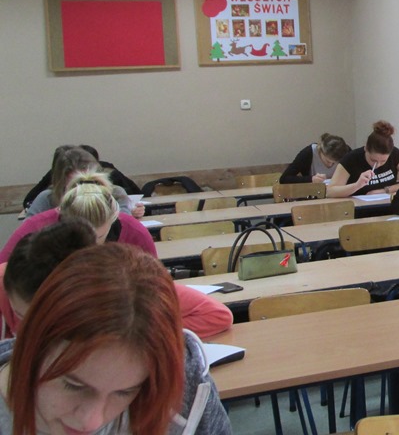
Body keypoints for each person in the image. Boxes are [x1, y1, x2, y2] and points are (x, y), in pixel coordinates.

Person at [0, 244, 231, 434]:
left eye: (125, 392)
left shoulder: (183, 390)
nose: (91, 422)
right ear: (32, 344)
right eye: (73, 385)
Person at [1, 220, 231, 341]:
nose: (36, 331)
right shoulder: (9, 280)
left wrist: (135, 332)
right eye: (22, 316)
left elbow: (217, 315)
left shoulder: (130, 285)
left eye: (47, 321)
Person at [2, 171, 157, 263]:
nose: (90, 247)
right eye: (79, 237)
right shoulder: (35, 229)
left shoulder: (134, 232)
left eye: (99, 237)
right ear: (62, 217)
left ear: (114, 217)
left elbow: (155, 285)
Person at [24, 147, 143, 219]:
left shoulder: (116, 194)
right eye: (75, 183)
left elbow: (124, 227)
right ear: (62, 181)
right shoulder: (47, 198)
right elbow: (26, 234)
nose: (83, 188)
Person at [328, 120, 399, 198]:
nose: (378, 165)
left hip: (388, 204)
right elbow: (330, 192)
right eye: (373, 160)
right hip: (358, 207)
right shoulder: (351, 159)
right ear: (366, 148)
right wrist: (357, 185)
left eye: (383, 161)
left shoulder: (395, 154)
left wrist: (386, 190)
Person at [279, 133, 351, 184]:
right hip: (314, 194)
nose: (330, 165)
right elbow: (284, 179)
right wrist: (311, 179)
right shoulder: (308, 153)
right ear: (320, 151)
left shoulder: (346, 152)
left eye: (334, 163)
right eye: (328, 161)